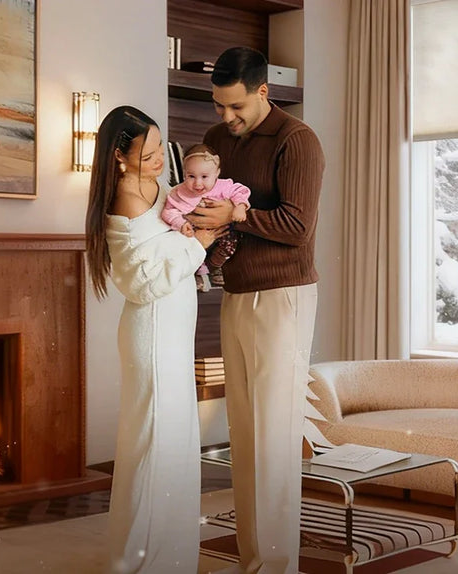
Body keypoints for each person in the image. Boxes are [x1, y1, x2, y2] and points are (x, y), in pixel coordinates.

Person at [185, 46, 325, 574]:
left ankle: (277, 565)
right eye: (218, 106)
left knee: (274, 433)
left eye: (235, 106)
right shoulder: (219, 141)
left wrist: (237, 214)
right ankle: (253, 561)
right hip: (236, 293)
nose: (225, 118)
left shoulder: (297, 140)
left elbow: (297, 227)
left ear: (264, 91)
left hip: (284, 296)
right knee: (242, 431)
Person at [85, 105, 224, 573]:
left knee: (175, 443)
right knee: (154, 445)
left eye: (159, 150)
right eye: (146, 156)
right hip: (153, 329)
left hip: (173, 326)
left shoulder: (158, 188)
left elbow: (172, 238)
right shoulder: (126, 195)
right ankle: (141, 562)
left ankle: (171, 557)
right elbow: (141, 282)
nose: (159, 162)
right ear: (119, 158)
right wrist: (197, 245)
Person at [161, 144, 252, 288]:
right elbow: (169, 211)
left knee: (232, 241)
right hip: (194, 232)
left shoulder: (223, 186)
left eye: (204, 176)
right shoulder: (179, 192)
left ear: (217, 173)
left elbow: (240, 191)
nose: (198, 183)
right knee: (188, 244)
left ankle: (215, 268)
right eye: (191, 176)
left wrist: (240, 207)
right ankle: (195, 273)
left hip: (222, 231)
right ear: (184, 173)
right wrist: (180, 223)